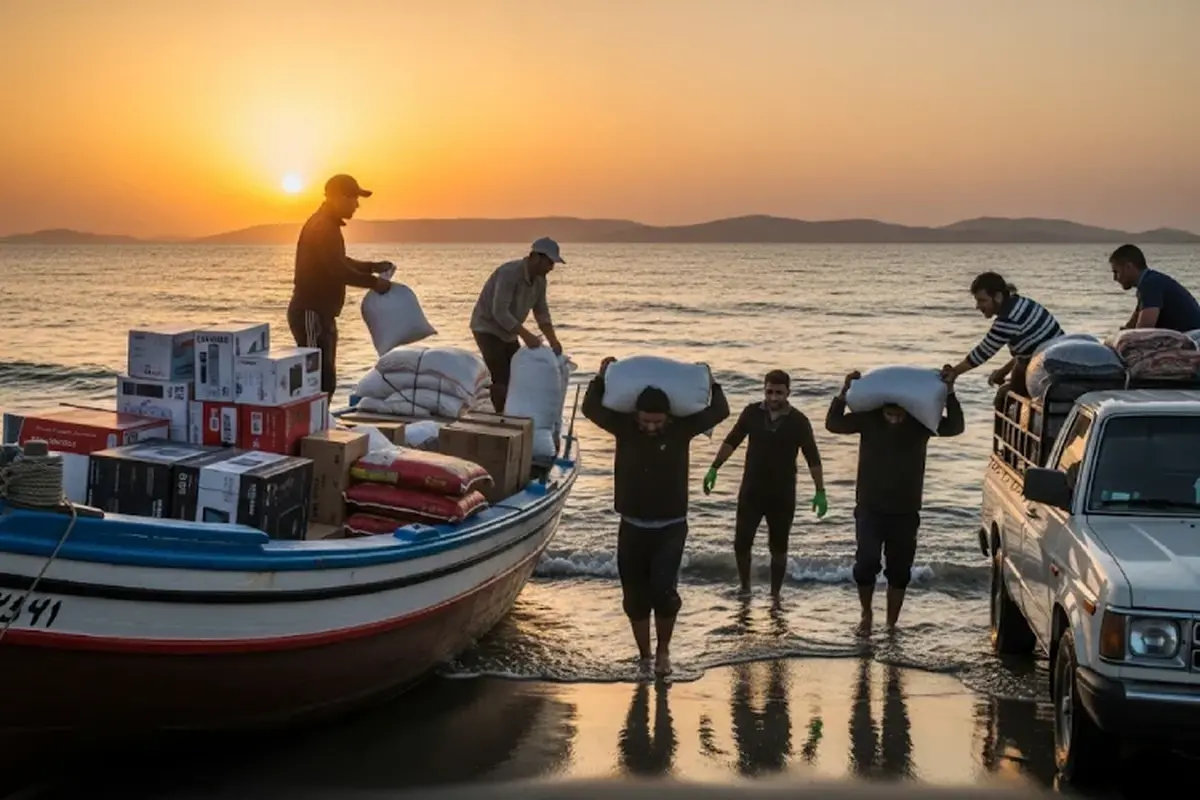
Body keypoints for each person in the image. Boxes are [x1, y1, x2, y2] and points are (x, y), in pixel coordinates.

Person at [582, 357, 730, 677]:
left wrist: (712, 380)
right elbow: (590, 408)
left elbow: (720, 411)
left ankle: (664, 652)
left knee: (663, 591)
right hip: (631, 525)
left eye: (657, 422)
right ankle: (645, 656)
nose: (651, 427)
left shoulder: (682, 430)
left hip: (671, 527)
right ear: (635, 416)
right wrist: (600, 375)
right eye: (646, 421)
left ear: (668, 418)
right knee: (634, 599)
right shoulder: (624, 427)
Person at [824, 368, 964, 635]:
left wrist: (950, 392)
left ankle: (891, 625)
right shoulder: (868, 420)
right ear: (882, 409)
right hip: (869, 506)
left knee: (900, 571)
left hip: (906, 509)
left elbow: (955, 427)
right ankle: (866, 614)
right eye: (890, 414)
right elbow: (833, 424)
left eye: (899, 415)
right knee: (866, 564)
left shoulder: (921, 423)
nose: (895, 419)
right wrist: (843, 392)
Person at [702, 369, 827, 599]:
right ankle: (745, 587)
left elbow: (813, 457)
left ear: (788, 392)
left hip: (782, 494)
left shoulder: (799, 421)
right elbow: (733, 439)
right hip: (752, 490)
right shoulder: (752, 413)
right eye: (769, 392)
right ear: (764, 390)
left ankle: (775, 594)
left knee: (778, 548)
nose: (773, 397)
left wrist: (820, 491)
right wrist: (714, 468)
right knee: (741, 543)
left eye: (779, 393)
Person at [288, 174, 393, 401]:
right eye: (353, 198)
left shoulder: (328, 226)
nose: (357, 204)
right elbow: (337, 269)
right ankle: (310, 432)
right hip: (310, 312)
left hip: (322, 314)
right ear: (337, 197)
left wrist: (372, 267)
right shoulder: (323, 226)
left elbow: (339, 261)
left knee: (326, 380)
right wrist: (375, 283)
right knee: (316, 380)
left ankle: (320, 429)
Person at [470, 238, 565, 412]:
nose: (551, 268)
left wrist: (553, 340)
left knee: (518, 373)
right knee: (501, 375)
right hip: (487, 327)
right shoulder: (509, 274)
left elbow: (541, 312)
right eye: (549, 262)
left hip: (509, 332)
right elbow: (499, 312)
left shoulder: (540, 281)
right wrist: (526, 335)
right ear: (535, 257)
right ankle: (502, 416)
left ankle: (514, 410)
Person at [943, 272, 1063, 396]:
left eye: (982, 300)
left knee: (1003, 394)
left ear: (998, 297)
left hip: (1047, 373)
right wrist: (1003, 371)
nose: (978, 306)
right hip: (1055, 362)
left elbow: (981, 353)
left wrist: (954, 372)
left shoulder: (1008, 319)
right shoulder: (1020, 303)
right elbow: (1027, 352)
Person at [1110, 243, 1200, 332]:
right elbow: (1130, 328)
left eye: (1116, 272)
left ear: (1128, 267)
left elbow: (1143, 331)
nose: (1114, 278)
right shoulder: (1149, 282)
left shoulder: (1150, 284)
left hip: (1194, 338)